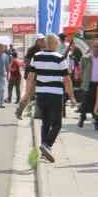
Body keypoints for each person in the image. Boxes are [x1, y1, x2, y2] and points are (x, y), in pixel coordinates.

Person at [21, 33, 74, 163]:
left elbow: (31, 77)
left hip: (41, 94)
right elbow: (67, 80)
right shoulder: (60, 58)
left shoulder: (36, 56)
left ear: (45, 43)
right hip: (55, 94)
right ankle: (47, 145)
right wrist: (72, 96)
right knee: (57, 123)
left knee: (45, 122)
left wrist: (27, 94)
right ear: (55, 44)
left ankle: (45, 151)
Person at [76, 40, 98, 129]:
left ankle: (97, 123)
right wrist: (82, 80)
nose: (96, 49)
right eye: (95, 47)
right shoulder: (85, 58)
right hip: (88, 84)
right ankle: (82, 118)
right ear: (91, 48)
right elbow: (81, 70)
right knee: (85, 103)